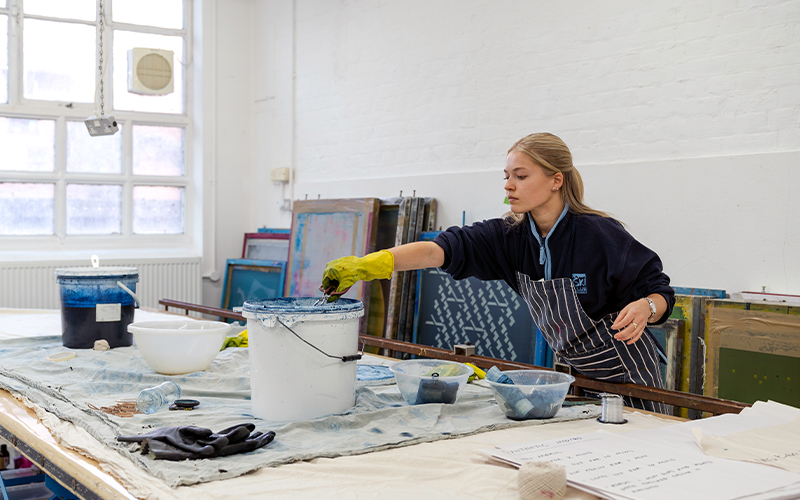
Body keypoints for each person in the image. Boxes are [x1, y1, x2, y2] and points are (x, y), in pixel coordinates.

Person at [321, 132, 675, 413]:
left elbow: (658, 289)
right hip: (575, 375)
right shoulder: (508, 238)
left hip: (629, 372)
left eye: (521, 176)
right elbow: (437, 250)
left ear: (556, 180)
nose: (509, 186)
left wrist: (647, 306)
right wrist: (370, 264)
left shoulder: (599, 234)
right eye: (507, 177)